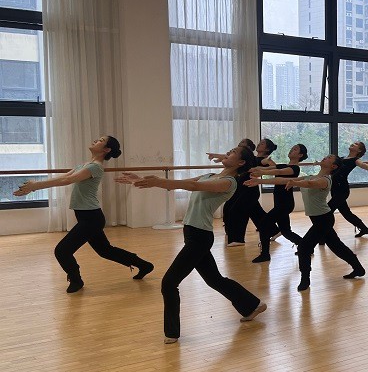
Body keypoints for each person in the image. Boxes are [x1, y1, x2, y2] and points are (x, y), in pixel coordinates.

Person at [116, 146, 267, 343]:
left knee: (169, 282)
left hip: (200, 237)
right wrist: (142, 179)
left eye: (232, 153)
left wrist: (157, 181)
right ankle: (252, 305)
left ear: (241, 162)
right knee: (214, 279)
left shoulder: (229, 182)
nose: (227, 153)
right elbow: (182, 184)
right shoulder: (210, 175)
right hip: (192, 233)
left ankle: (171, 333)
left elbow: (193, 187)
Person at [15, 136, 153, 294]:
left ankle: (76, 280)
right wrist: (33, 185)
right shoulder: (85, 165)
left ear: (106, 149)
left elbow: (68, 180)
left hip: (91, 219)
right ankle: (144, 265)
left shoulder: (96, 167)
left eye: (101, 140)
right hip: (87, 217)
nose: (96, 140)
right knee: (105, 250)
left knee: (62, 251)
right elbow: (64, 177)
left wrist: (36, 186)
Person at [248, 154, 365, 292]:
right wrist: (260, 181)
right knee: (336, 246)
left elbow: (310, 185)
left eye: (329, 158)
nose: (325, 158)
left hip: (324, 219)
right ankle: (358, 268)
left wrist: (295, 183)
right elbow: (282, 180)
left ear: (333, 166)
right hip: (318, 219)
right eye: (326, 156)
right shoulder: (310, 176)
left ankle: (305, 279)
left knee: (304, 248)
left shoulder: (326, 180)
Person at [247, 143, 308, 263]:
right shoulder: (284, 165)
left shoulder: (294, 168)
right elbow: (269, 168)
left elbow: (278, 172)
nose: (291, 149)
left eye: (295, 149)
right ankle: (305, 247)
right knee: (286, 231)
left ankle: (265, 254)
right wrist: (253, 169)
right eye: (292, 148)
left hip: (285, 204)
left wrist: (261, 175)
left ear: (300, 155)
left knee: (263, 224)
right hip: (280, 204)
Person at [219, 138, 276, 247]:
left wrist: (260, 169)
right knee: (256, 213)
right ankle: (273, 230)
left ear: (267, 149)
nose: (259, 144)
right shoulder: (253, 158)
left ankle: (237, 239)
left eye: (262, 144)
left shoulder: (261, 160)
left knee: (237, 211)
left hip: (249, 190)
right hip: (243, 189)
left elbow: (273, 166)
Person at [329, 141, 368, 238]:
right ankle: (364, 228)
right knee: (346, 213)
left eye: (356, 144)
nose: (353, 144)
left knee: (327, 211)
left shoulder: (355, 160)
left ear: (359, 150)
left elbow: (362, 164)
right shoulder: (341, 158)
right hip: (334, 188)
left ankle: (322, 234)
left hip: (342, 189)